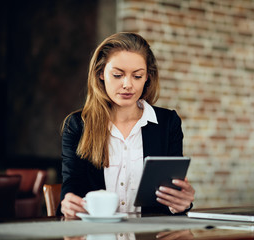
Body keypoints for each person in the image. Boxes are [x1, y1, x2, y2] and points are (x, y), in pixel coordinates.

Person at [58, 32, 195, 218]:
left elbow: (172, 193)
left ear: (147, 77)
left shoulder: (167, 123)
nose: (127, 84)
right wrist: (68, 203)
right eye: (117, 75)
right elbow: (72, 185)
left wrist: (180, 203)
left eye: (137, 76)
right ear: (100, 73)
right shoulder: (77, 125)